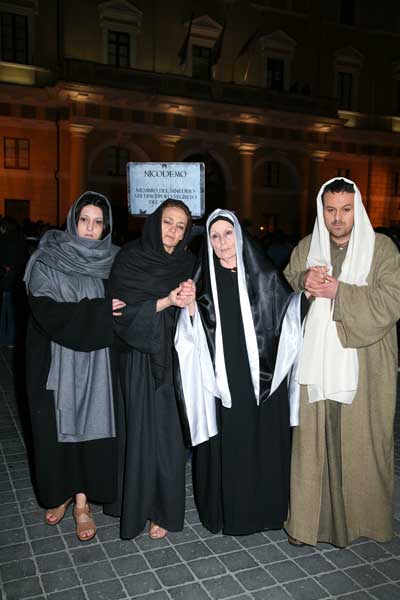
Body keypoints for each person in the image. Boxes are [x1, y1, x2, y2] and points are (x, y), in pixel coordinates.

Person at [284, 177, 400, 547]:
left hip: (364, 364)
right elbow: (287, 283)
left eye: (345, 210)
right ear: (322, 211)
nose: (338, 218)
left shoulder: (382, 249)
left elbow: (390, 303)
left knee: (362, 441)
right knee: (314, 442)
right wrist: (305, 281)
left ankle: (365, 522)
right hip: (317, 364)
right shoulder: (308, 246)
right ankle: (309, 525)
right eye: (331, 210)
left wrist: (339, 293)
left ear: (357, 209)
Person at [175, 208, 299, 535]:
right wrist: (188, 307)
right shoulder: (203, 281)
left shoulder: (265, 275)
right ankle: (237, 515)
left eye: (227, 234)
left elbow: (288, 316)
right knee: (235, 449)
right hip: (227, 382)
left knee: (264, 446)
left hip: (264, 380)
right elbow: (192, 332)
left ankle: (268, 513)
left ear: (239, 236)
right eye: (214, 236)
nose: (221, 242)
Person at [24, 191, 123, 541]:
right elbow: (46, 310)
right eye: (84, 220)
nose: (90, 228)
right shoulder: (46, 259)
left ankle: (83, 503)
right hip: (57, 362)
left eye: (98, 222)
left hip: (99, 364)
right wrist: (99, 312)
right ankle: (61, 494)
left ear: (105, 227)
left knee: (92, 428)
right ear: (72, 221)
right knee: (57, 430)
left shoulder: (116, 262)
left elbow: (128, 308)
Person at [104, 199, 195, 540]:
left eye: (180, 226)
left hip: (172, 357)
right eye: (167, 222)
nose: (172, 230)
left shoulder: (188, 261)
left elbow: (196, 311)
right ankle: (136, 506)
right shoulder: (130, 257)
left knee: (169, 437)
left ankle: (164, 510)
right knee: (140, 433)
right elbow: (119, 314)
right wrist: (167, 301)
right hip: (137, 358)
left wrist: (189, 298)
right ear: (155, 222)